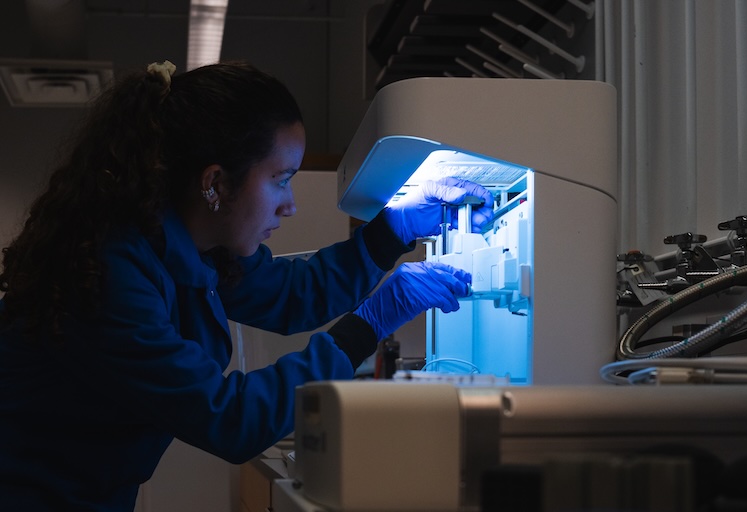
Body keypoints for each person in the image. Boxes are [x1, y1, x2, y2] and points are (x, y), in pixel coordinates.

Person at [0, 60, 494, 511]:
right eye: (281, 179)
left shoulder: (191, 247)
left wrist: (395, 230)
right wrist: (374, 320)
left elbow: (292, 293)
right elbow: (230, 418)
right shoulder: (114, 271)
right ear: (215, 182)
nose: (291, 204)